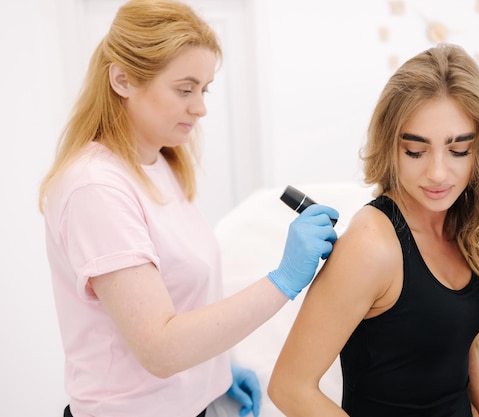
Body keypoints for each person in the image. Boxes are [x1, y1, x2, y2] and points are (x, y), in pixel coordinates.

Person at [38, 1, 338, 416]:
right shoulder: (96, 188)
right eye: (185, 89)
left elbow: (177, 297)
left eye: (204, 89)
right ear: (122, 80)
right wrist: (284, 279)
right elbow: (160, 348)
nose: (200, 107)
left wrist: (219, 370)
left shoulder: (158, 162)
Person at [268, 44, 479, 417]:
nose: (438, 173)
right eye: (415, 151)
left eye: (458, 151)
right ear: (391, 146)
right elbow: (290, 388)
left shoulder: (464, 226)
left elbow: (469, 352)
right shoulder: (372, 246)